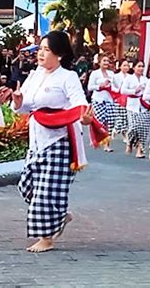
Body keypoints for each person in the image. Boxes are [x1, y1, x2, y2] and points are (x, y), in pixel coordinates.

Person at [14, 31, 93, 253]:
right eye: (40, 48)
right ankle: (59, 215)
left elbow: (79, 104)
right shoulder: (34, 75)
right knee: (27, 186)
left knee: (45, 191)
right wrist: (18, 102)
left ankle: (46, 238)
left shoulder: (67, 77)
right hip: (37, 138)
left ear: (59, 54)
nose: (41, 53)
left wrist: (84, 118)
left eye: (46, 49)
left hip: (60, 139)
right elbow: (25, 106)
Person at [121, 60, 150, 158]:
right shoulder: (129, 79)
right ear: (134, 67)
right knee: (134, 127)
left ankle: (139, 150)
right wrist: (134, 90)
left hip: (144, 106)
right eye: (139, 66)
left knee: (143, 129)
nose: (141, 68)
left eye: (142, 66)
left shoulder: (146, 80)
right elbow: (123, 90)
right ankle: (130, 141)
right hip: (132, 106)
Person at [87, 55, 116, 152]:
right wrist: (100, 86)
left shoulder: (111, 74)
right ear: (99, 62)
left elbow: (116, 86)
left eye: (107, 61)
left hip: (109, 99)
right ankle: (94, 138)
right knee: (99, 121)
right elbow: (90, 87)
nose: (106, 63)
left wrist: (113, 89)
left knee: (109, 121)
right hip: (98, 99)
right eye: (104, 61)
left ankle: (107, 144)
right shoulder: (95, 74)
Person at [111, 60, 131, 139]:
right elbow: (113, 87)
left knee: (126, 118)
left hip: (127, 99)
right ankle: (116, 130)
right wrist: (118, 90)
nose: (126, 67)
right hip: (119, 98)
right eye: (124, 65)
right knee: (120, 117)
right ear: (120, 66)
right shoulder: (116, 76)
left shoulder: (130, 76)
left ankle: (124, 135)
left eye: (127, 65)